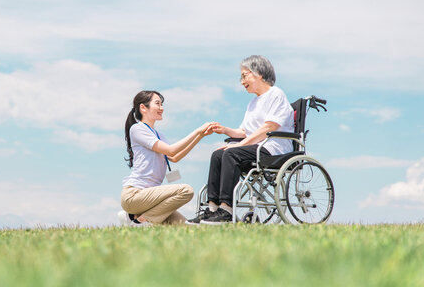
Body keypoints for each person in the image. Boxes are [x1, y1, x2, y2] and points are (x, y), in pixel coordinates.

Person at [187, 55, 294, 225]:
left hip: (274, 148)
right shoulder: (253, 102)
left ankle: (226, 209)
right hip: (255, 147)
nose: (242, 81)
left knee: (231, 153)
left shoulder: (276, 94)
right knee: (218, 154)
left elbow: (269, 127)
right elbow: (244, 131)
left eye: (244, 75)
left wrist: (241, 145)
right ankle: (212, 208)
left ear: (258, 74)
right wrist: (224, 130)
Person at [119, 90, 216, 226]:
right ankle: (141, 219)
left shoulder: (159, 135)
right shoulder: (137, 129)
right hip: (135, 195)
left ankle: (136, 217)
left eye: (162, 104)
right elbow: (171, 149)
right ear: (143, 108)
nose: (161, 108)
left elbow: (174, 156)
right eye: (157, 104)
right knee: (186, 191)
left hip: (152, 201)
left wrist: (200, 136)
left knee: (188, 227)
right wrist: (197, 131)